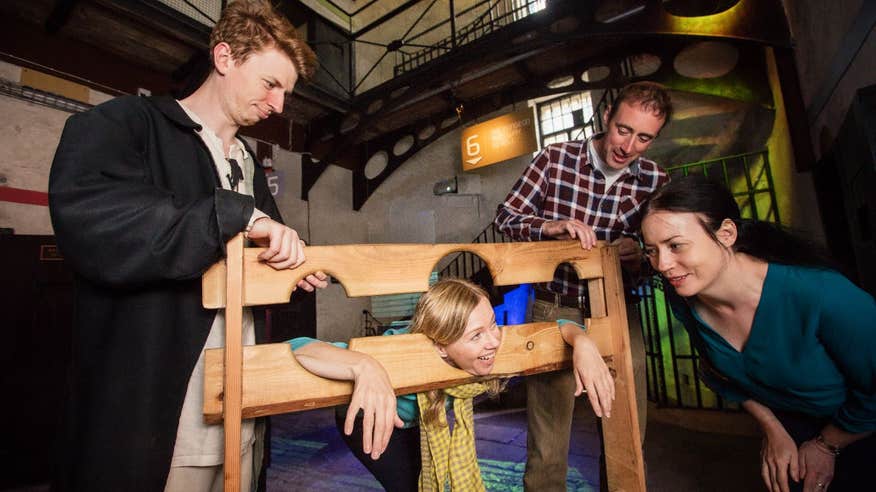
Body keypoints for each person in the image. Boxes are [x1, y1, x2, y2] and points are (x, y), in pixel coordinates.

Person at [48, 1, 327, 490]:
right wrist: (233, 215)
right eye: (271, 84)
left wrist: (294, 267)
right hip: (161, 427)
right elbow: (96, 220)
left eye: (286, 91)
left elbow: (259, 255)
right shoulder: (125, 124)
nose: (280, 105)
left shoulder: (246, 165)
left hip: (241, 414)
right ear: (224, 58)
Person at [640, 174, 876, 492]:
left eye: (675, 246)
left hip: (860, 429)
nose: (662, 264)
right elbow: (717, 373)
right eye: (651, 250)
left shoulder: (821, 294)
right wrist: (772, 426)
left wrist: (826, 445)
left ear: (726, 233)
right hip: (790, 429)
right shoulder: (683, 295)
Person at [494, 81, 672, 490]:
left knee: (626, 420)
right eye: (624, 129)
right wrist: (549, 226)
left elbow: (661, 257)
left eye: (644, 138)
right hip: (554, 306)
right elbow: (506, 217)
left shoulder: (655, 180)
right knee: (549, 433)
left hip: (616, 308)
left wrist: (640, 253)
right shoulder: (556, 159)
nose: (628, 146)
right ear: (608, 114)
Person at [288, 278, 615, 491]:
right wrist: (364, 365)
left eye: (493, 325)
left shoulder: (491, 344)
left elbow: (556, 327)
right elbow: (298, 346)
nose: (494, 342)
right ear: (440, 345)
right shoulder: (400, 349)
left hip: (426, 419)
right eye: (476, 335)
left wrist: (582, 341)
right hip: (369, 418)